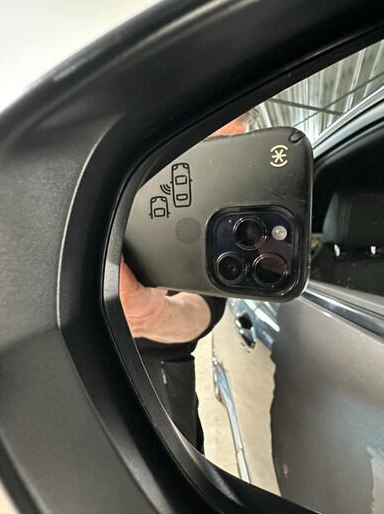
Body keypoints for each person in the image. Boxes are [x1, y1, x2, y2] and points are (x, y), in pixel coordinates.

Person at [120, 112, 253, 451]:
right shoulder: (120, 186)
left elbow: (203, 306)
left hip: (157, 369)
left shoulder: (225, 218)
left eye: (233, 148)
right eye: (207, 146)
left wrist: (153, 316)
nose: (217, 164)